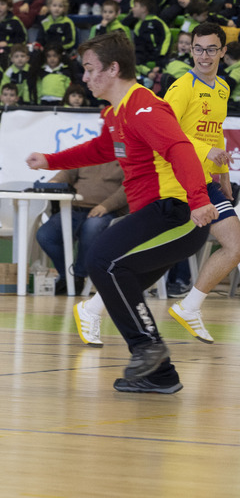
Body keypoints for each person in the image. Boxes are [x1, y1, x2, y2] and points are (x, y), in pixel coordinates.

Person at [26, 30, 215, 394]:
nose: (84, 77)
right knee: (117, 277)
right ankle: (160, 375)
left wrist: (199, 199)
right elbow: (100, 149)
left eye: (89, 69)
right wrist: (50, 160)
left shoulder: (145, 108)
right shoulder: (116, 114)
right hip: (157, 215)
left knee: (102, 260)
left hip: (177, 213)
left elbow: (180, 149)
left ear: (113, 69)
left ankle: (148, 348)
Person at [150, 23, 240, 344]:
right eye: (198, 49)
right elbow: (165, 133)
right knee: (150, 255)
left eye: (211, 49)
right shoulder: (181, 88)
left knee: (234, 245)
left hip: (204, 180)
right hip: (176, 181)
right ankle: (96, 304)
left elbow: (214, 132)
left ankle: (190, 306)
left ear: (223, 51)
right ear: (191, 51)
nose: (205, 56)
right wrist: (205, 151)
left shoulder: (222, 88)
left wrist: (224, 176)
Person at [36, 161, 127, 296]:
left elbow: (128, 188)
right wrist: (55, 182)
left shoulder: (128, 157)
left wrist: (106, 206)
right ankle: (67, 276)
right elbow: (68, 171)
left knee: (92, 228)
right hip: (73, 209)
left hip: (106, 212)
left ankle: (78, 276)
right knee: (45, 235)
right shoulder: (89, 153)